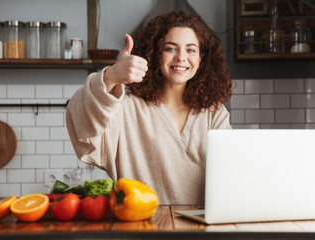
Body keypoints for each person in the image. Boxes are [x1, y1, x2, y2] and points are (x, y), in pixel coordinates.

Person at [66, 11, 232, 205]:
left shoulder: (214, 114)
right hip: (140, 225)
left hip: (201, 229)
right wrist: (110, 76)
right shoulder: (126, 108)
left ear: (201, 59)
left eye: (191, 50)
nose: (181, 57)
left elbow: (230, 172)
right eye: (170, 48)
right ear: (155, 54)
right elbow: (80, 121)